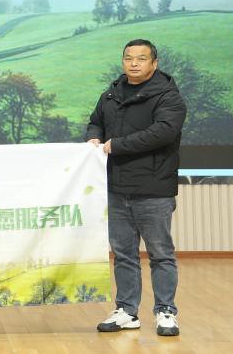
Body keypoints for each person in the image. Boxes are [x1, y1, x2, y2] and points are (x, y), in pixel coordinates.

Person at [86, 38, 186, 337]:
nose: (134, 63)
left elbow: (163, 133)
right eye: (128, 58)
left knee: (160, 254)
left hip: (154, 188)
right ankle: (127, 311)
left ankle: (166, 312)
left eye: (141, 58)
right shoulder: (110, 94)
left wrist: (118, 145)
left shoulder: (168, 96)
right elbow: (95, 122)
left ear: (154, 63)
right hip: (116, 187)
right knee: (123, 254)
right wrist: (94, 137)